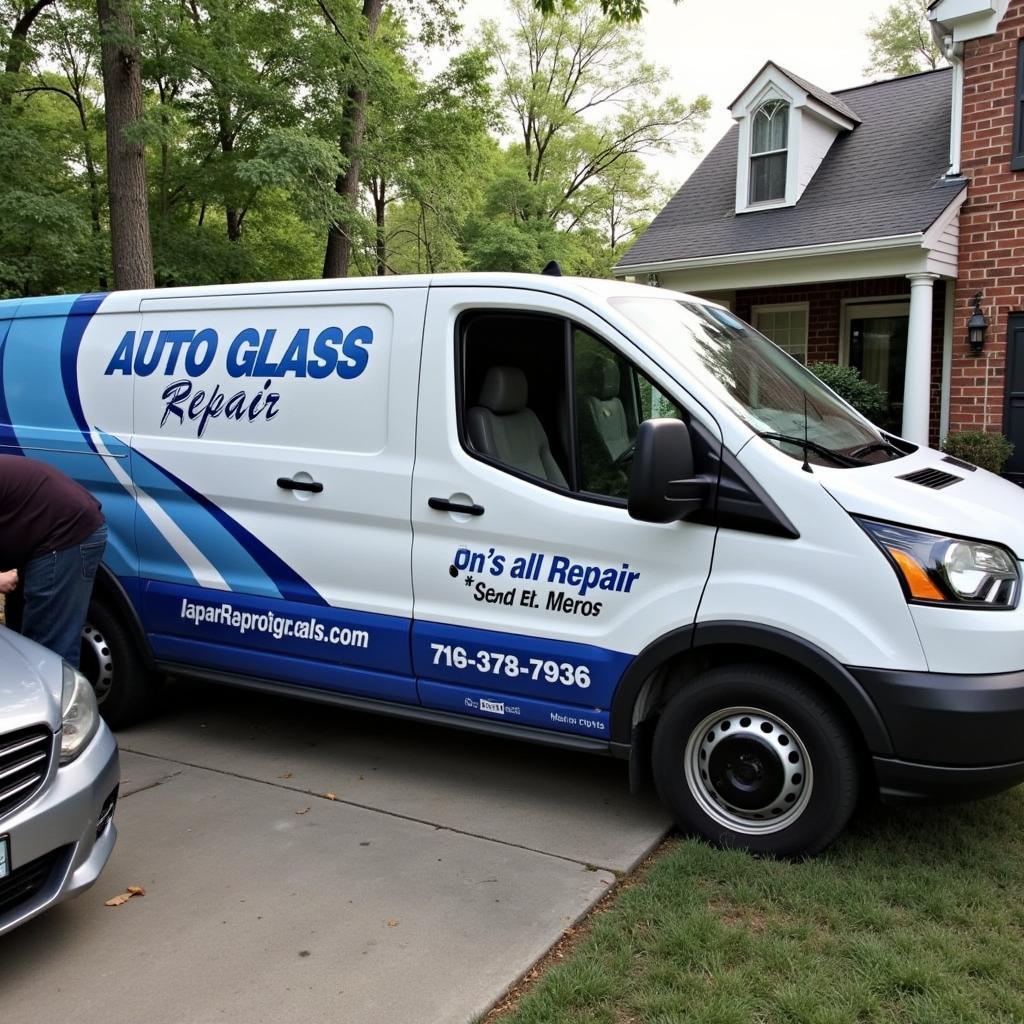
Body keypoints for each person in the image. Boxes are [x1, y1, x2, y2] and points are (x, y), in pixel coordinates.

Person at [0, 455, 107, 667]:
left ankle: (56, 698)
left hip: (65, 531)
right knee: (20, 642)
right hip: (37, 530)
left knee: (48, 651)